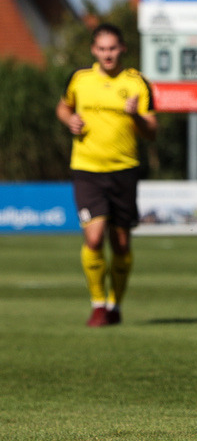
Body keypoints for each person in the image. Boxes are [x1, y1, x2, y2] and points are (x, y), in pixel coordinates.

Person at [56, 23, 157, 327]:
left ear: (122, 48)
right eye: (102, 49)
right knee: (95, 237)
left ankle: (115, 305)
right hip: (87, 169)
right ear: (93, 51)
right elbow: (63, 108)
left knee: (122, 243)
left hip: (124, 170)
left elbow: (152, 131)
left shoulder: (137, 83)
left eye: (112, 48)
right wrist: (69, 119)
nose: (107, 54)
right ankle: (98, 304)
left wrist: (136, 115)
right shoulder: (80, 79)